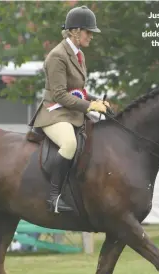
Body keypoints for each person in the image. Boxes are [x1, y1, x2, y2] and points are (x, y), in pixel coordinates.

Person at [29, 5, 110, 213]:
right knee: (69, 143)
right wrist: (89, 105)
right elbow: (59, 94)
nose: (91, 36)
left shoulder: (78, 55)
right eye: (88, 32)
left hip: (72, 112)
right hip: (54, 114)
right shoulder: (57, 55)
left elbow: (78, 91)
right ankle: (54, 197)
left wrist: (97, 101)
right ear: (75, 31)